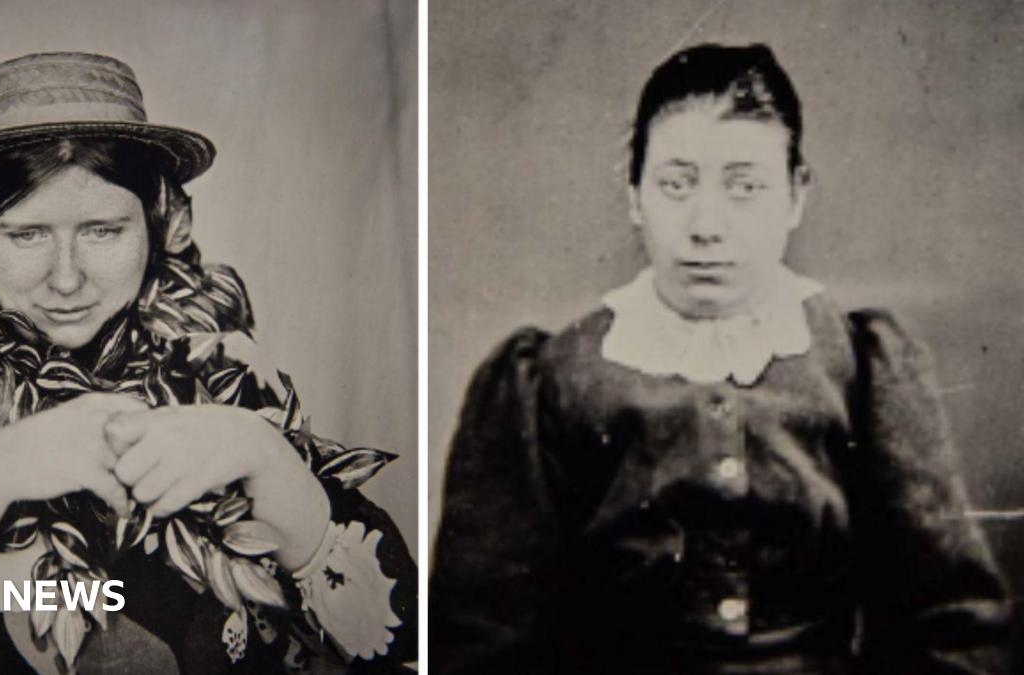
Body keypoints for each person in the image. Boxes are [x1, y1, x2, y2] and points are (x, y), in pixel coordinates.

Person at [0, 52, 415, 674]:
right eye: (25, 234)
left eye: (103, 231)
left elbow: (409, 643)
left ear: (158, 225)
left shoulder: (222, 390)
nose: (67, 278)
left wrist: (270, 463)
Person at [431, 43, 1009, 674]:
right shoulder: (552, 377)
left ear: (795, 196)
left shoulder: (858, 363)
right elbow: (484, 636)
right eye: (676, 185)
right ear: (634, 195)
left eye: (745, 188)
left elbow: (951, 621)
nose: (707, 225)